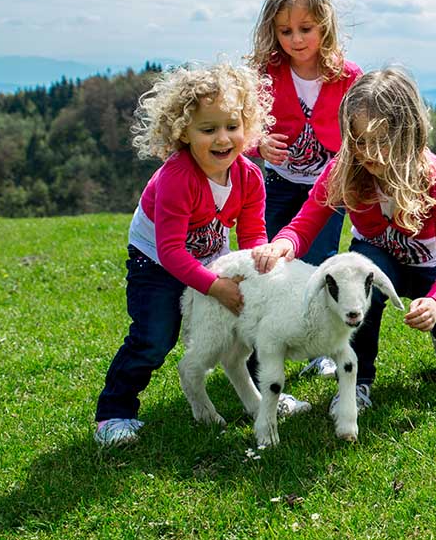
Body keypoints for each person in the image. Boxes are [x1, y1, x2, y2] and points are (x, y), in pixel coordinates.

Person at [251, 67, 436, 413]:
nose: (367, 152)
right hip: (375, 259)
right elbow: (306, 220)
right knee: (356, 280)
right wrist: (284, 244)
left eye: (380, 140)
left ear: (407, 133)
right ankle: (357, 384)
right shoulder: (345, 168)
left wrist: (435, 302)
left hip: (429, 270)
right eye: (358, 141)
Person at [93, 63, 310, 447]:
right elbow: (171, 251)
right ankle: (115, 413)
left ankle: (264, 400)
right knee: (154, 337)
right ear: (183, 133)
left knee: (254, 322)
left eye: (232, 126)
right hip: (156, 262)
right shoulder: (177, 178)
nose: (222, 138)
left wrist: (259, 264)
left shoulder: (249, 177)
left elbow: (253, 234)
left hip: (211, 255)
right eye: (208, 130)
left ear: (248, 126)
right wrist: (215, 287)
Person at [247, 0, 362, 379]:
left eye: (306, 28)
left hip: (328, 190)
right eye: (285, 31)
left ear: (325, 26)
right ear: (273, 32)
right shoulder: (266, 74)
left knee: (319, 266)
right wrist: (257, 145)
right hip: (277, 185)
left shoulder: (348, 76)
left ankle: (320, 347)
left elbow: (358, 133)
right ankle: (262, 343)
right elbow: (237, 130)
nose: (296, 39)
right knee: (271, 264)